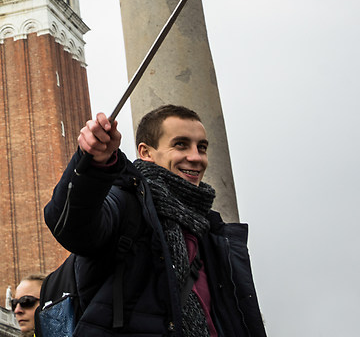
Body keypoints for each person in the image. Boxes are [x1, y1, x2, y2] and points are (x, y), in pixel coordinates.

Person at [44, 105, 266, 336]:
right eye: (181, 144)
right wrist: (92, 163)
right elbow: (71, 226)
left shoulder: (211, 231)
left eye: (202, 147)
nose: (196, 157)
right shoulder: (126, 205)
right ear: (146, 152)